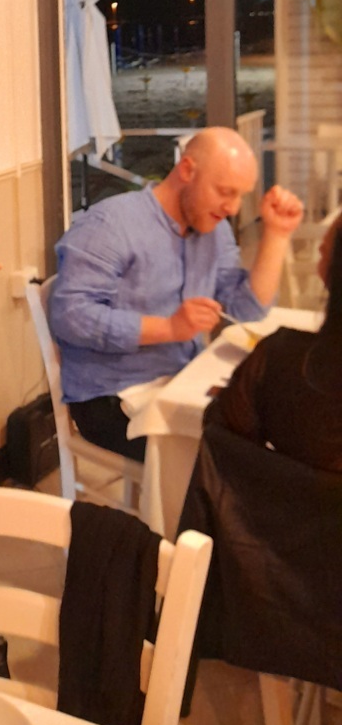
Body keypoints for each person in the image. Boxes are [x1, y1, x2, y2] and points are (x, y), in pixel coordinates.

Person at [49, 127, 304, 461]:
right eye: (225, 192)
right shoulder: (111, 224)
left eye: (241, 196)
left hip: (181, 378)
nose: (232, 207)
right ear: (186, 170)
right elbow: (69, 316)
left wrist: (277, 234)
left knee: (278, 426)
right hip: (111, 398)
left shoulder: (214, 230)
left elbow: (244, 312)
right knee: (235, 458)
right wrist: (168, 328)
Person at [219, 210, 342, 471]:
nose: (233, 208)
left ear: (328, 272)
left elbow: (221, 443)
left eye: (323, 252)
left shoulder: (277, 360)